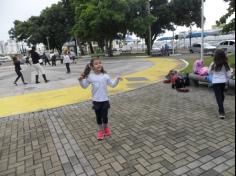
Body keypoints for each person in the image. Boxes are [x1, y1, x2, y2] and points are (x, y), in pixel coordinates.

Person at [79, 58, 122, 140]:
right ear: (92, 67)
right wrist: (81, 80)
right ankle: (100, 131)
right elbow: (84, 86)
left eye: (100, 63)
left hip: (105, 100)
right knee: (98, 117)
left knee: (105, 116)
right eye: (96, 64)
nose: (98, 64)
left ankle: (106, 128)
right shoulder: (90, 77)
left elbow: (112, 85)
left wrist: (117, 79)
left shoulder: (105, 76)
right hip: (96, 101)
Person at [208, 49, 232, 119]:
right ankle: (221, 111)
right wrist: (226, 79)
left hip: (216, 82)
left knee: (220, 97)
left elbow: (208, 72)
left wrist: (213, 74)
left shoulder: (213, 63)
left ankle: (221, 111)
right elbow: (229, 74)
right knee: (220, 96)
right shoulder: (225, 64)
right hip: (222, 82)